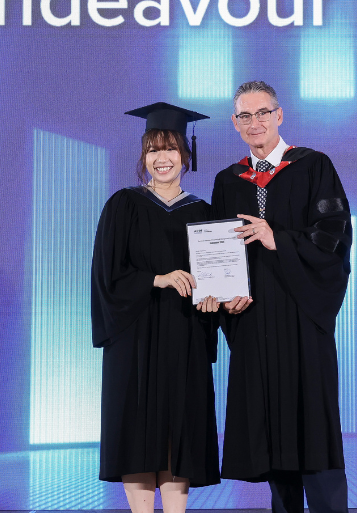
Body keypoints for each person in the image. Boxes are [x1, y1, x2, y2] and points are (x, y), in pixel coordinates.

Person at [211, 81, 353, 513]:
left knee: (313, 427)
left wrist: (279, 239)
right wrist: (224, 295)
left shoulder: (314, 166)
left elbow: (333, 237)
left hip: (301, 320)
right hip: (254, 324)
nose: (255, 122)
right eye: (245, 116)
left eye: (262, 113)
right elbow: (218, 252)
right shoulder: (228, 181)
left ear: (279, 115)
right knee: (273, 435)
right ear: (235, 124)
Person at [91, 102, 222, 513]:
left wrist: (216, 298)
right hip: (134, 336)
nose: (161, 159)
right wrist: (157, 278)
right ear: (143, 157)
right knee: (136, 431)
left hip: (185, 336)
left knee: (177, 432)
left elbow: (215, 279)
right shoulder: (123, 205)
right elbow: (106, 277)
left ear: (186, 155)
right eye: (152, 150)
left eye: (170, 149)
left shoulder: (203, 214)